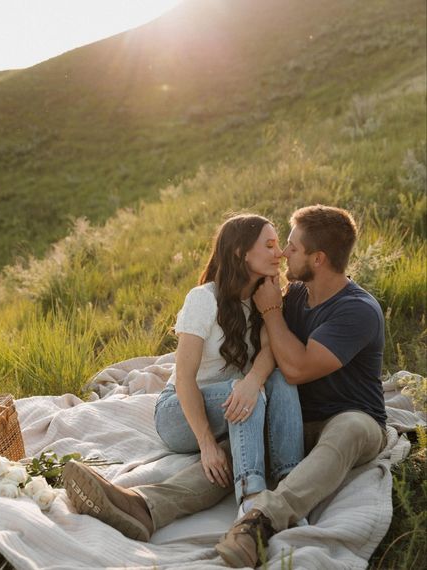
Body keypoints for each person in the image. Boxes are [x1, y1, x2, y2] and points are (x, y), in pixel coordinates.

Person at [63, 205, 387, 569]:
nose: (283, 253)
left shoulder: (356, 309)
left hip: (352, 420)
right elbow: (267, 355)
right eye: (279, 245)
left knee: (343, 427)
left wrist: (270, 314)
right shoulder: (288, 294)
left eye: (292, 247)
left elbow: (294, 368)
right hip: (292, 420)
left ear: (320, 258)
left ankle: (260, 520)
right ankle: (144, 506)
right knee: (236, 442)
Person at [63, 213, 304, 539]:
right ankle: (250, 498)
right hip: (179, 413)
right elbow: (186, 377)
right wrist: (206, 443)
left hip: (232, 410)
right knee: (245, 389)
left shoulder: (265, 296)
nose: (279, 253)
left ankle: (291, 488)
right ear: (240, 252)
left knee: (277, 380)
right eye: (270, 245)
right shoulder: (204, 299)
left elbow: (269, 354)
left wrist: (251, 382)